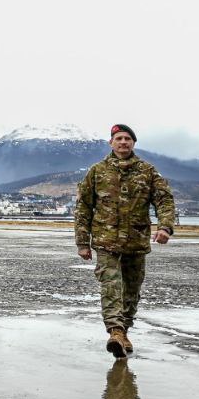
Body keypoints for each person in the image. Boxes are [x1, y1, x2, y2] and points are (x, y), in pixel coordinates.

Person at [74, 123, 176, 358]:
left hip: (136, 242)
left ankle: (124, 331)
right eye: (118, 138)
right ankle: (115, 331)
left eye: (127, 139)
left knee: (131, 290)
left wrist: (165, 227)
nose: (123, 142)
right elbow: (83, 208)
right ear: (111, 143)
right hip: (105, 242)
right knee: (111, 286)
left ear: (133, 143)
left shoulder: (148, 171)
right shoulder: (97, 171)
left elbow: (164, 200)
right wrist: (82, 242)